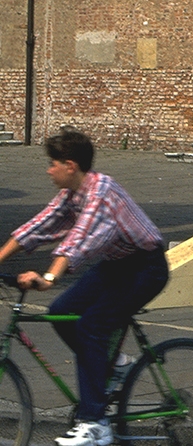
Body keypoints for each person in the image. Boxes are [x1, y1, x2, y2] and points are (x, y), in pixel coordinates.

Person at [0, 128, 168, 446]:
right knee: (61, 311)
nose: (48, 170)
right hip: (117, 266)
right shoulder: (71, 194)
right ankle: (115, 365)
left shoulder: (101, 191)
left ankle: (96, 424)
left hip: (146, 268)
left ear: (70, 165)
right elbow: (39, 225)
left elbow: (79, 240)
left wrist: (49, 278)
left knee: (92, 326)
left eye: (53, 164)